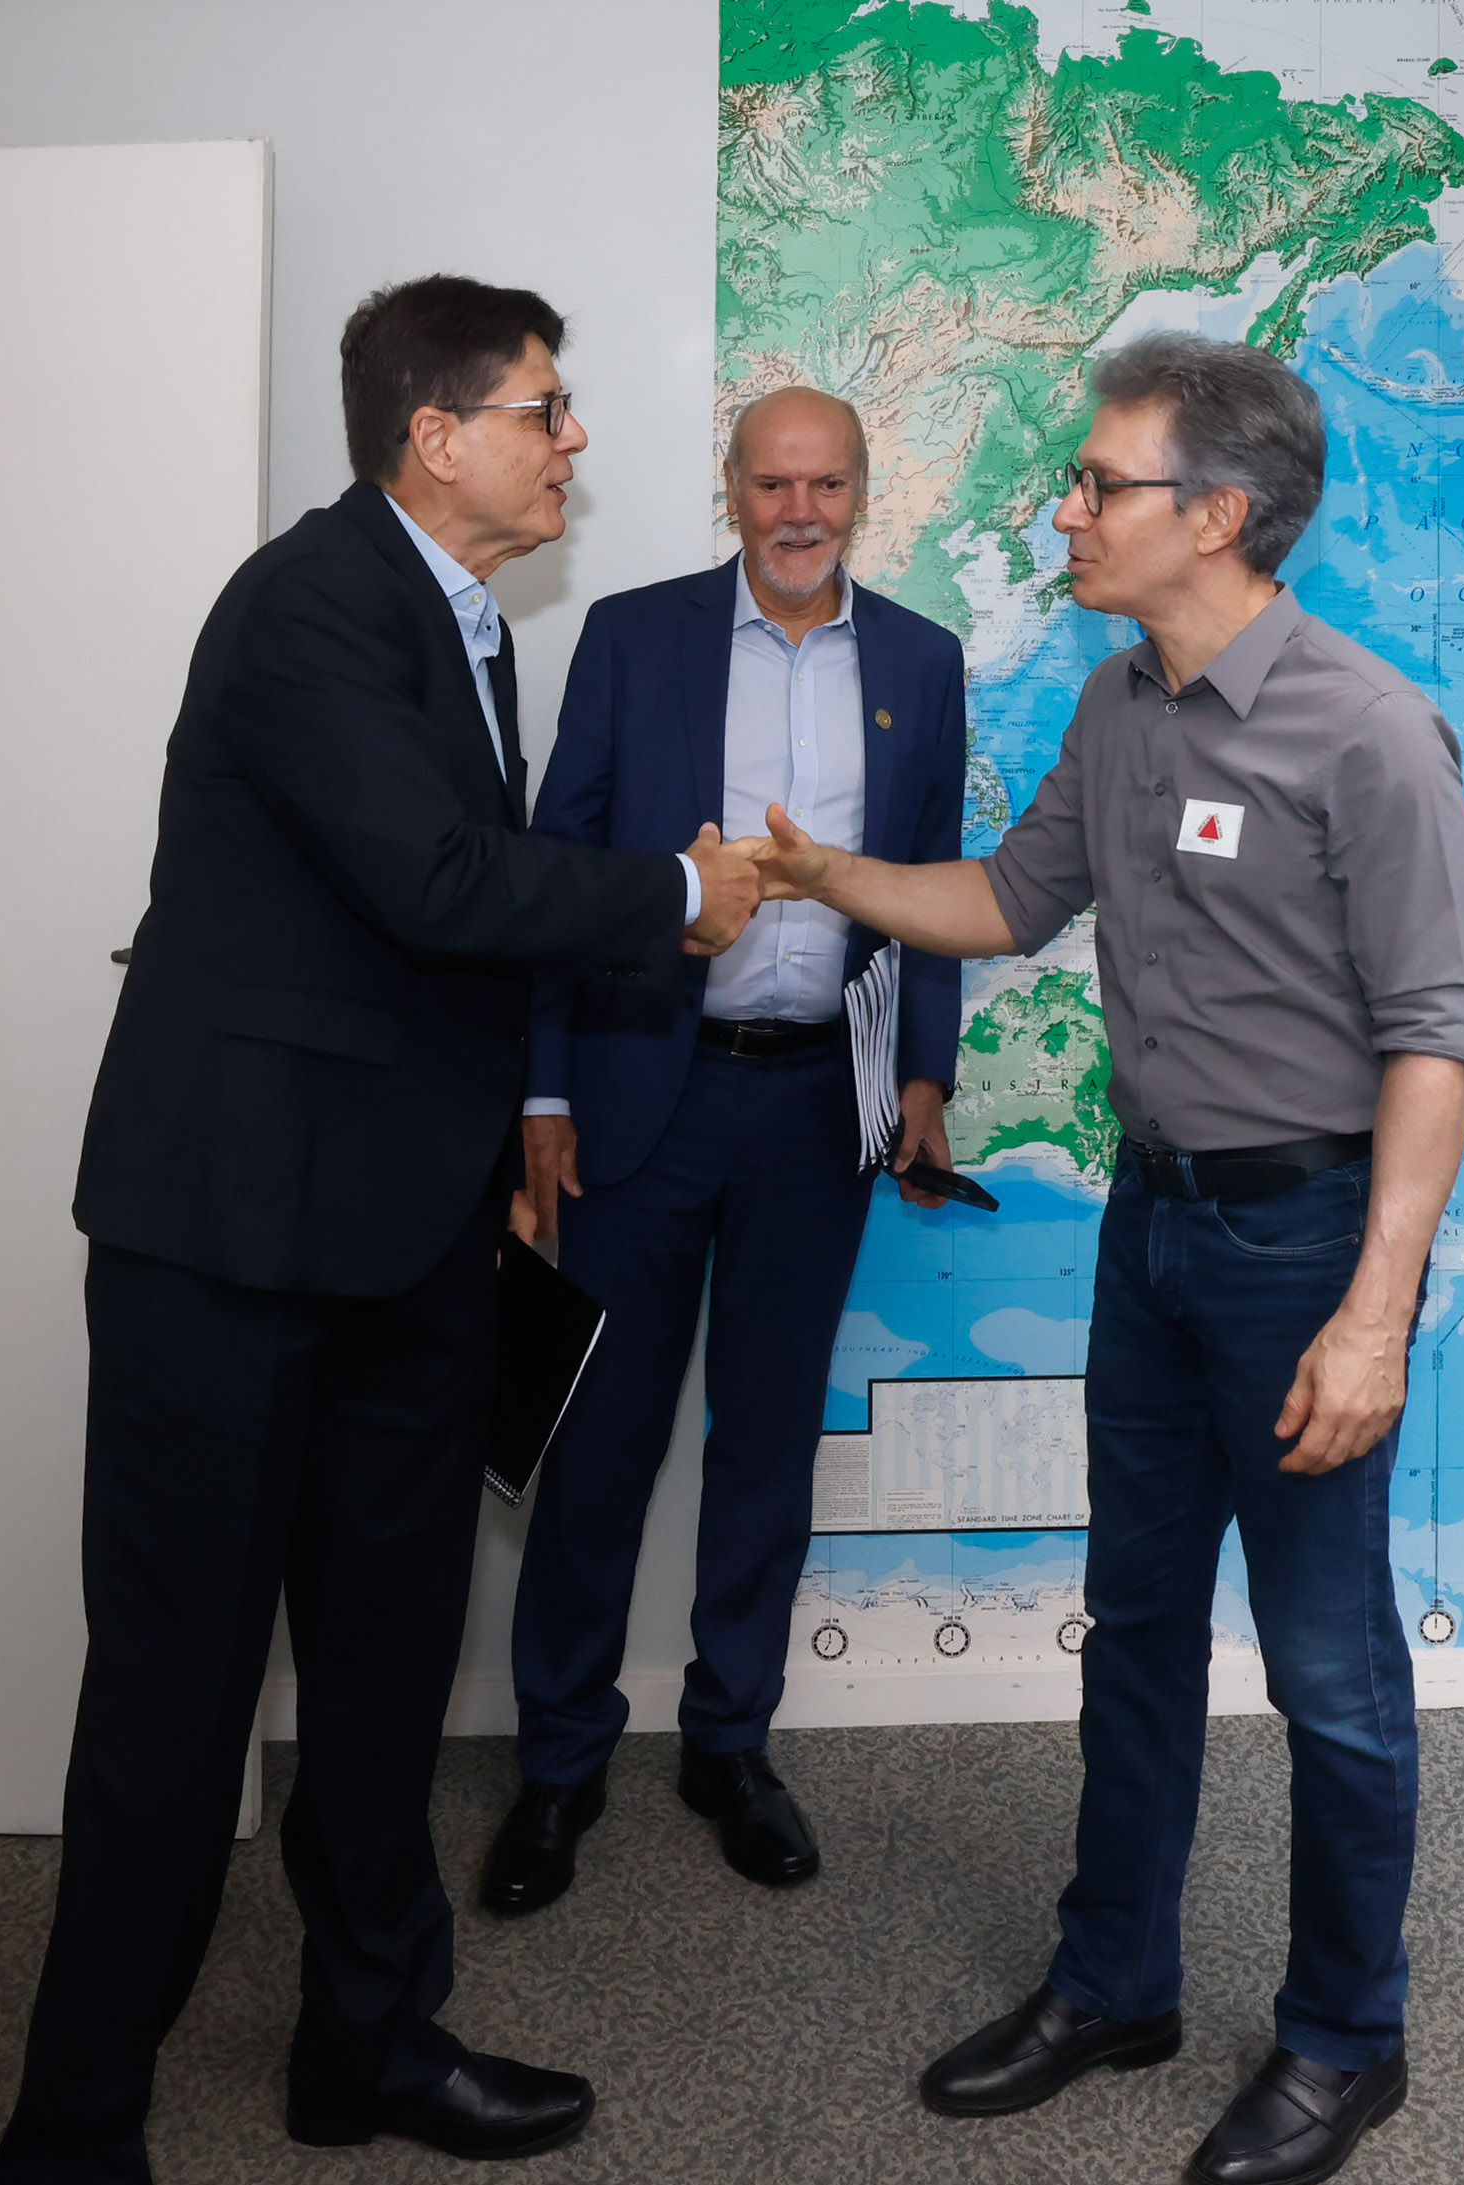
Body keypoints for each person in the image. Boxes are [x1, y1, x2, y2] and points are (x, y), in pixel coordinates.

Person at [0, 275, 765, 2185]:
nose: (572, 441)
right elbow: (433, 882)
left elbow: (418, 932)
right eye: (544, 409)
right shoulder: (310, 607)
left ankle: (369, 2033)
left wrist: (498, 1145)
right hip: (230, 1245)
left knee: (391, 1659)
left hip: (402, 1242)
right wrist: (669, 894)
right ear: (435, 434)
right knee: (175, 1717)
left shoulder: (466, 622)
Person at [749, 332, 1464, 2185]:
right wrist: (822, 877)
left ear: (1215, 515)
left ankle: (1346, 2037)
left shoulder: (1366, 729)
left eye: (1099, 483)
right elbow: (1008, 901)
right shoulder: (1119, 704)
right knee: (1135, 1624)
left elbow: (1431, 1039)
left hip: (1302, 1246)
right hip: (1149, 1232)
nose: (1065, 510)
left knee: (1326, 1667)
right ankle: (1115, 1985)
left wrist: (1373, 1317)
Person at [479, 388, 965, 1914]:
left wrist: (925, 1073)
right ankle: (559, 1758)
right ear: (733, 490)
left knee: (765, 1439)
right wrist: (541, 1092)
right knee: (599, 1441)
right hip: (645, 1097)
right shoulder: (634, 638)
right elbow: (558, 871)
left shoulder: (922, 661)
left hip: (816, 1110)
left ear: (861, 492)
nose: (798, 510)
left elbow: (928, 883)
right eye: (772, 483)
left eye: (825, 484)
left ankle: (729, 1740)